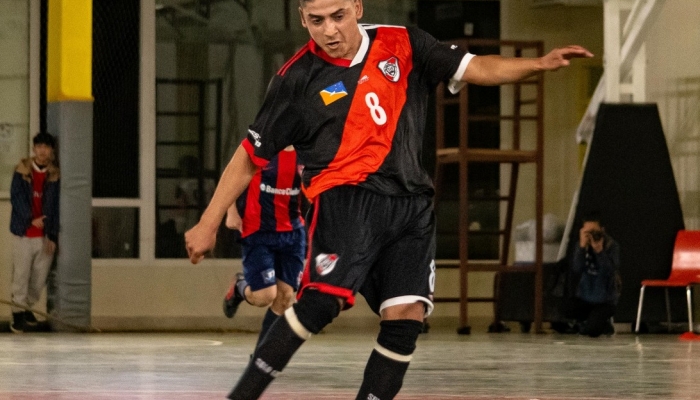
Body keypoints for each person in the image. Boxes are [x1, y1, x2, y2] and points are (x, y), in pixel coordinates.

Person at [185, 0, 594, 398]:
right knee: (320, 305)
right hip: (346, 200)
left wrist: (539, 64)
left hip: (412, 206)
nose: (329, 30)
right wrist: (208, 221)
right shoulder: (297, 79)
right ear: (303, 19)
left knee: (407, 315)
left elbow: (478, 67)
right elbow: (248, 156)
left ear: (358, 8)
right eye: (317, 20)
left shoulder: (404, 43)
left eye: (338, 16)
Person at [223, 146, 306, 350]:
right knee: (264, 297)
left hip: (293, 232)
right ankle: (239, 287)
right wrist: (231, 211)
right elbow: (232, 175)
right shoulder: (262, 145)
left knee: (285, 297)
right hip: (258, 231)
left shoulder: (308, 148)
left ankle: (262, 355)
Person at [9, 132, 60, 333]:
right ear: (33, 149)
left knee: (39, 278)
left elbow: (56, 207)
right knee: (21, 276)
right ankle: (17, 314)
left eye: (46, 147)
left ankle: (27, 307)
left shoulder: (54, 175)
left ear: (51, 150)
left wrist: (52, 235)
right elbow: (17, 198)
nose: (42, 151)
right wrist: (31, 219)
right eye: (39, 146)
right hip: (23, 233)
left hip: (44, 236)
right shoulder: (22, 171)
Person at [571, 214, 621, 337]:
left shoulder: (612, 246)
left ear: (602, 230)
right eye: (587, 233)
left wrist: (599, 252)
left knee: (592, 331)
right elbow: (576, 269)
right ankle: (587, 322)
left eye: (594, 232)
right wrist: (581, 248)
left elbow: (609, 271)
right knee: (564, 310)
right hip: (585, 296)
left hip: (605, 300)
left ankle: (600, 324)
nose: (591, 236)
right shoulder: (581, 245)